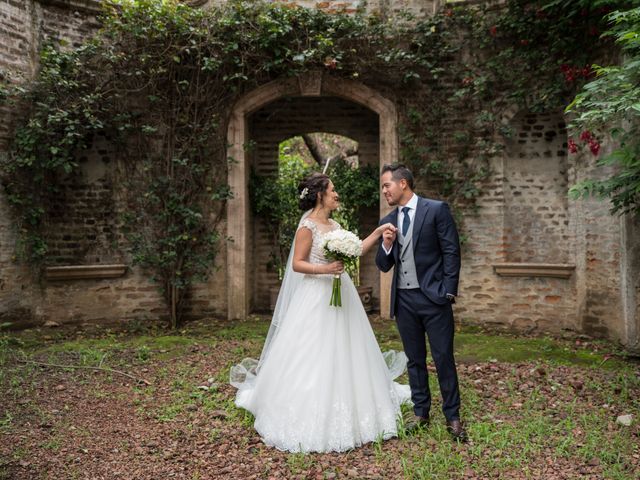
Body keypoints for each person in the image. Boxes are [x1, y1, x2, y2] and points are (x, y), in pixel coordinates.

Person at [230, 172, 410, 453]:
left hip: (341, 293)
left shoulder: (335, 224)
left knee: (347, 347)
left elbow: (356, 250)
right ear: (319, 195)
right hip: (315, 295)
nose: (336, 194)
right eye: (333, 190)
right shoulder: (307, 227)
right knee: (313, 350)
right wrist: (324, 269)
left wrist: (377, 233)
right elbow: (297, 265)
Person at [376, 163, 467, 442]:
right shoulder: (387, 221)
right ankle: (421, 412)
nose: (384, 191)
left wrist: (448, 291)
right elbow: (382, 265)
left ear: (403, 183)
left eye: (386, 185)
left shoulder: (436, 210)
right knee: (414, 359)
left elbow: (451, 251)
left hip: (434, 298)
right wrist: (387, 244)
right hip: (405, 301)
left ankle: (452, 416)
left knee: (443, 358)